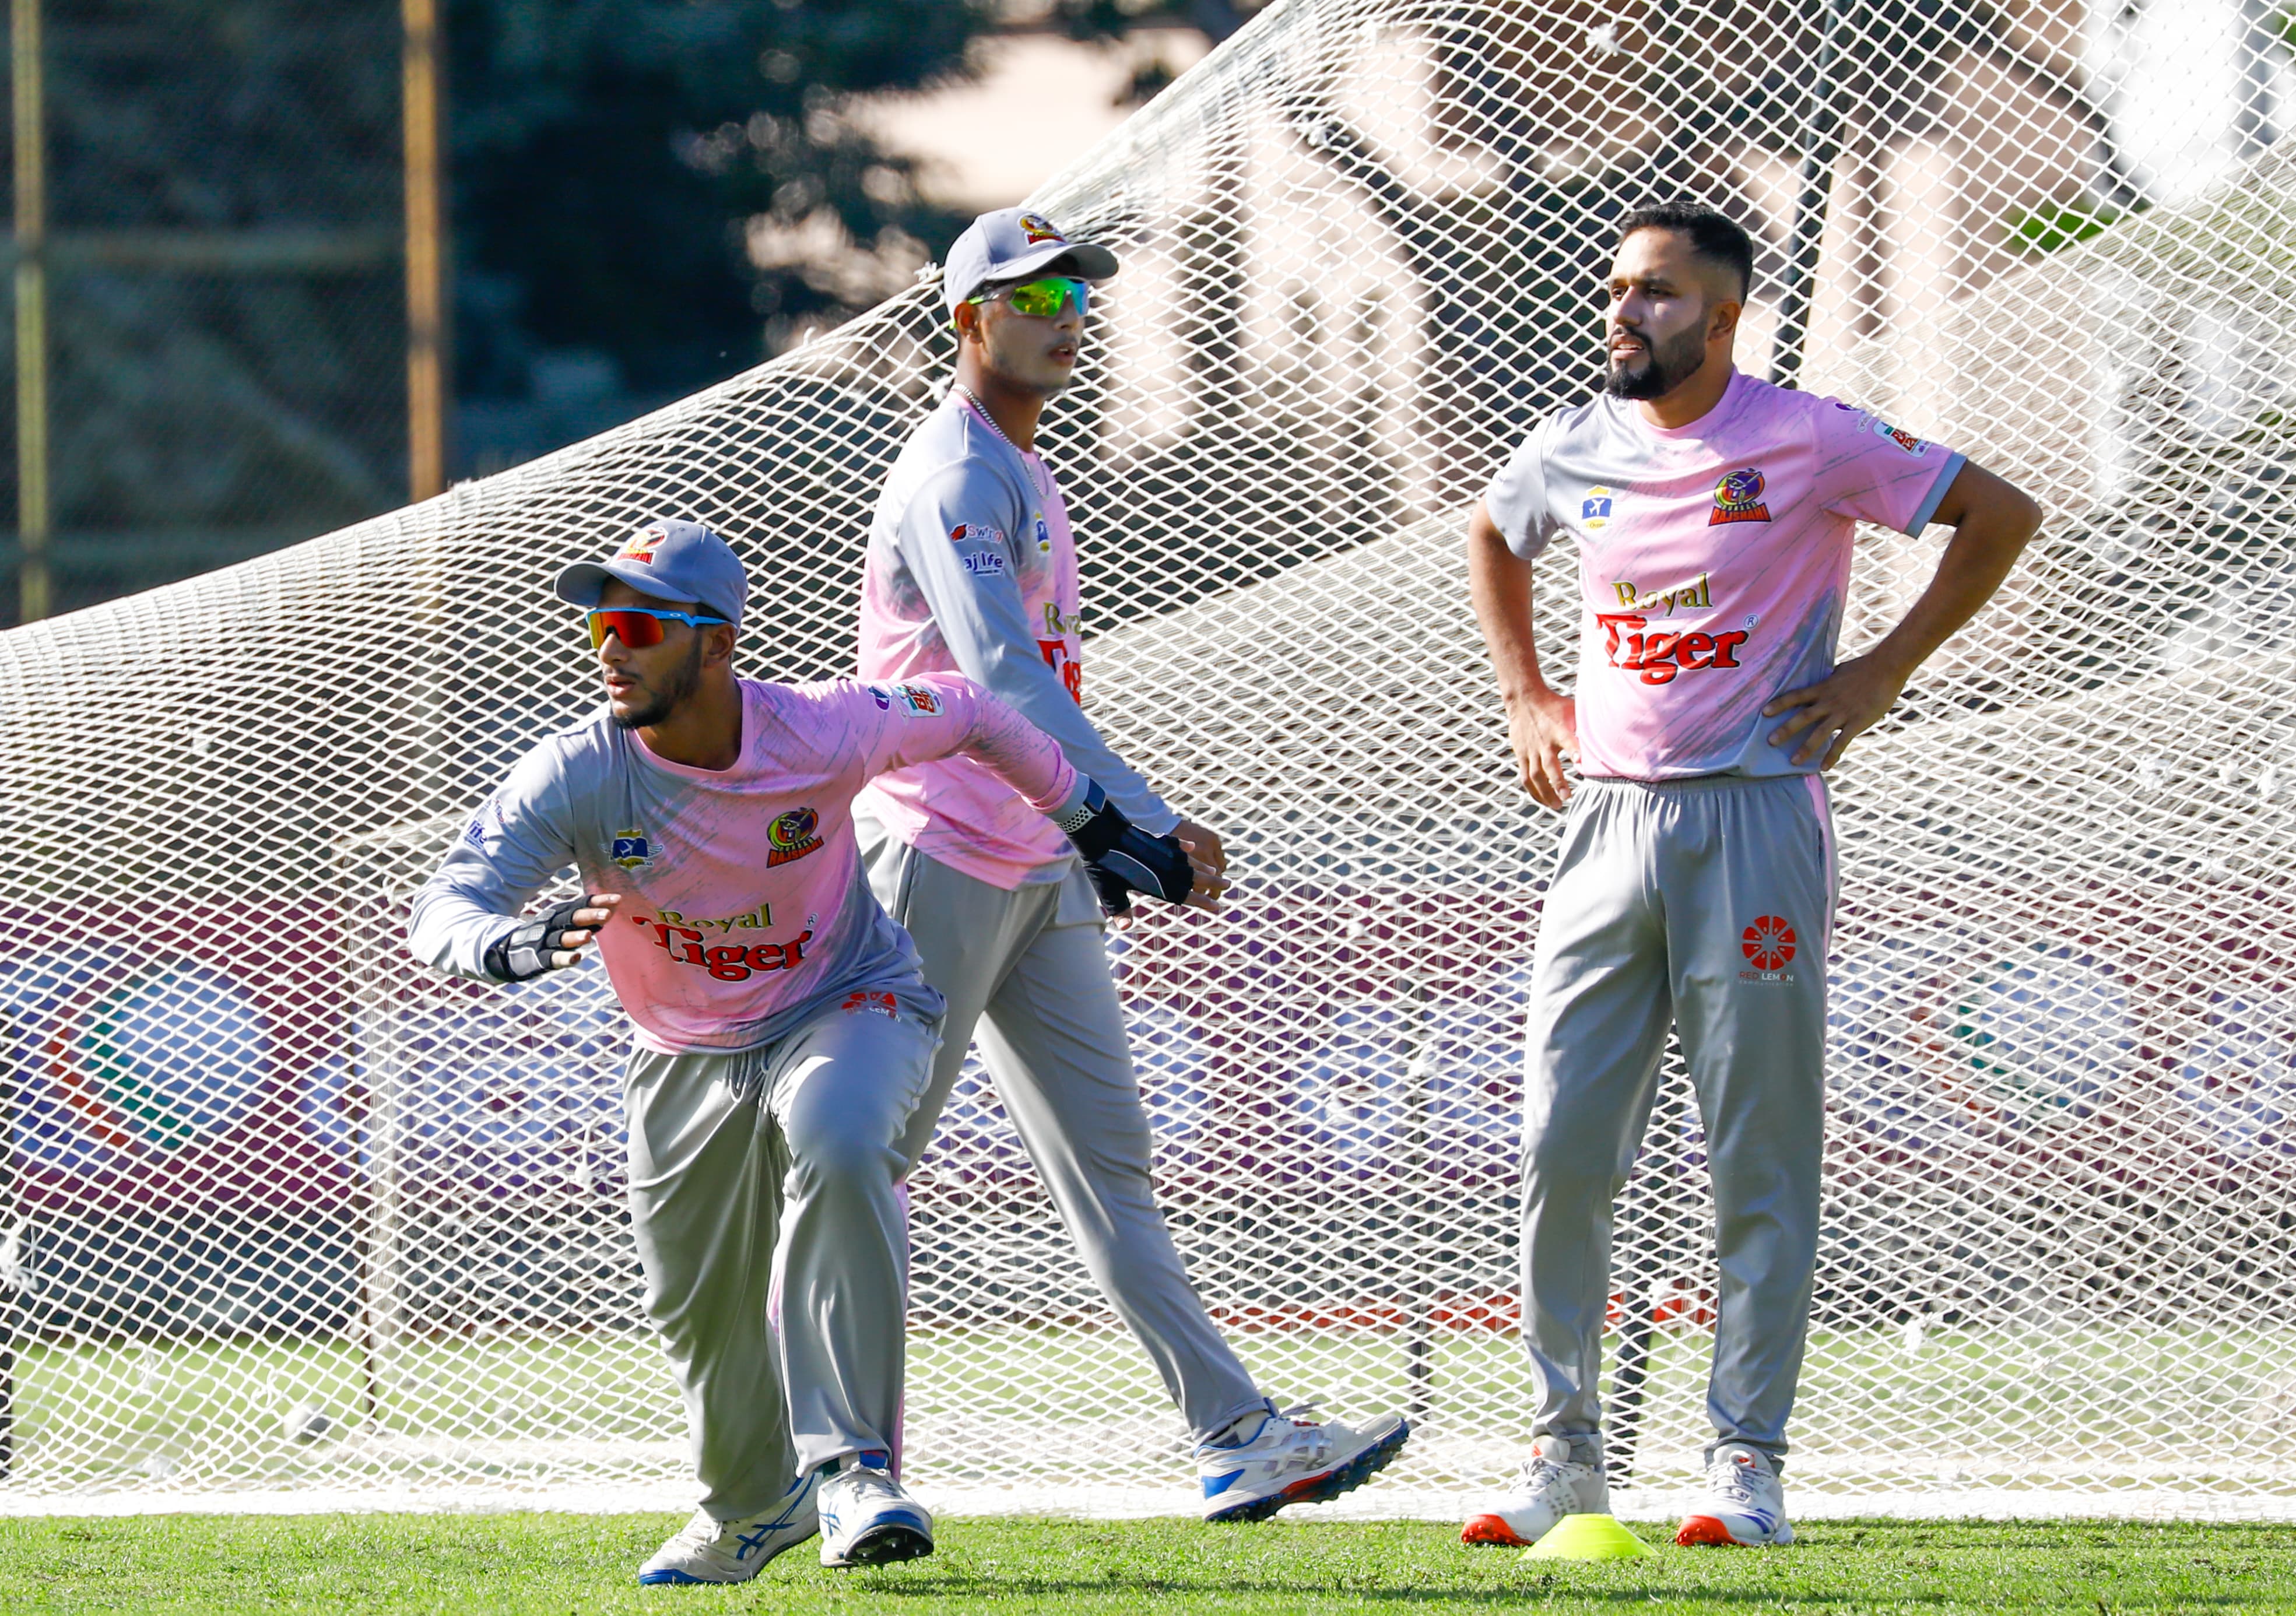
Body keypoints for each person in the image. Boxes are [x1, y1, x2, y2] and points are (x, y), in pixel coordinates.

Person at [408, 518, 1198, 1582]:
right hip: (680, 1050)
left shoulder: (822, 728)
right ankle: (746, 1511)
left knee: (842, 1137)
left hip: (846, 999)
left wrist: (1095, 823)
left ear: (717, 646)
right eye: (601, 622)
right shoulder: (575, 773)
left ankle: (856, 1468)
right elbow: (445, 908)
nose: (611, 646)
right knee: (701, 1312)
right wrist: (503, 944)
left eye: (639, 624)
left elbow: (969, 710)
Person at [1459, 203, 2042, 1550]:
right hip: (1601, 824)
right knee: (1559, 1141)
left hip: (1758, 820)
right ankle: (1561, 1456)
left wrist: (1883, 671)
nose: (1625, 313)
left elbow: (1998, 513)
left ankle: (1743, 1462)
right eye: (1616, 289)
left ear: (1721, 320)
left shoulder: (1810, 436)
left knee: (1757, 1151)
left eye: (1657, 295)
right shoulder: (1574, 444)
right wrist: (1523, 693)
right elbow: (1494, 536)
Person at [854, 206, 1409, 1520]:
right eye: (1031, 295)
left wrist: (1087, 830)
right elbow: (993, 680)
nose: (1061, 316)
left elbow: (1027, 684)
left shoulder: (1023, 465)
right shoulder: (954, 474)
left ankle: (1235, 1435)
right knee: (860, 1166)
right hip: (933, 853)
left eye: (1075, 297)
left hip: (1031, 860)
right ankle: (832, 1466)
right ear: (968, 318)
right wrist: (1138, 820)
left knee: (1109, 1165)